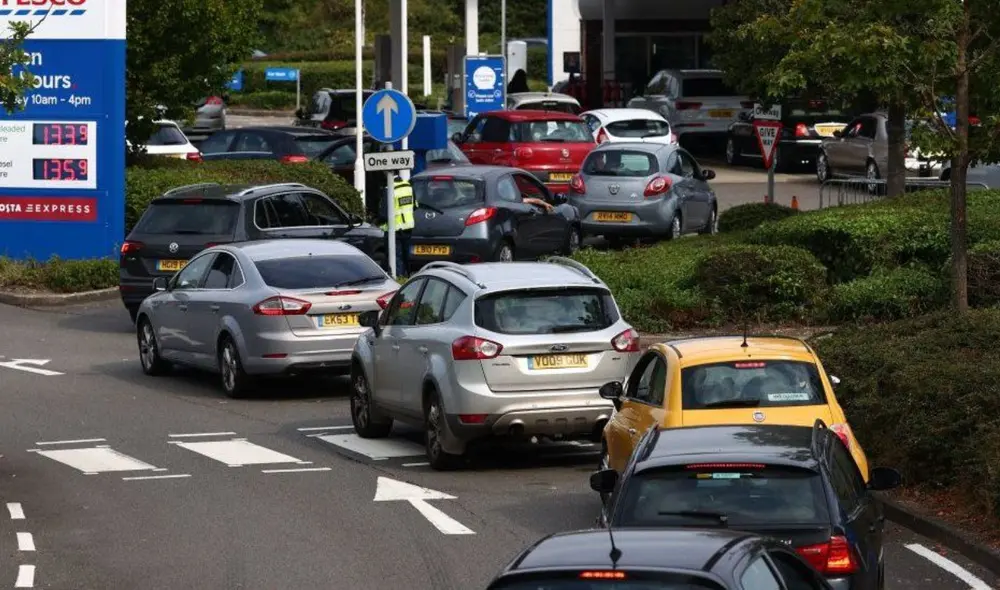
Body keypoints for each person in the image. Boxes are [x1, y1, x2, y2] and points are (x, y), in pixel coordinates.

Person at [378, 176, 415, 276]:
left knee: (395, 256)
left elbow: (383, 214)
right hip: (408, 227)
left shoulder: (389, 190)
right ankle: (407, 276)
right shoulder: (409, 187)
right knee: (406, 255)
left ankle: (398, 278)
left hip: (394, 229)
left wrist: (378, 222)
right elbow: (414, 206)